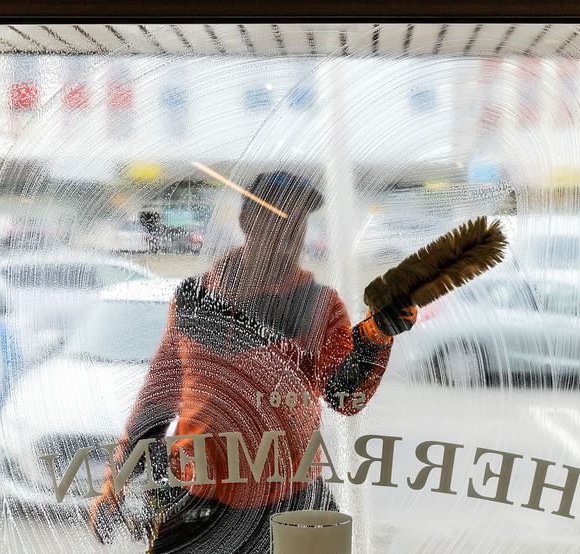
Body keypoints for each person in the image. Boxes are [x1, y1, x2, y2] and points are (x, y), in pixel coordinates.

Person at [89, 171, 418, 553]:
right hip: (199, 499)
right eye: (278, 219)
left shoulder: (318, 306)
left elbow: (345, 397)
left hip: (289, 501)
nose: (290, 235)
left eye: (298, 223)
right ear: (247, 221)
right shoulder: (196, 297)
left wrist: (376, 337)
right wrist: (115, 485)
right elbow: (157, 401)